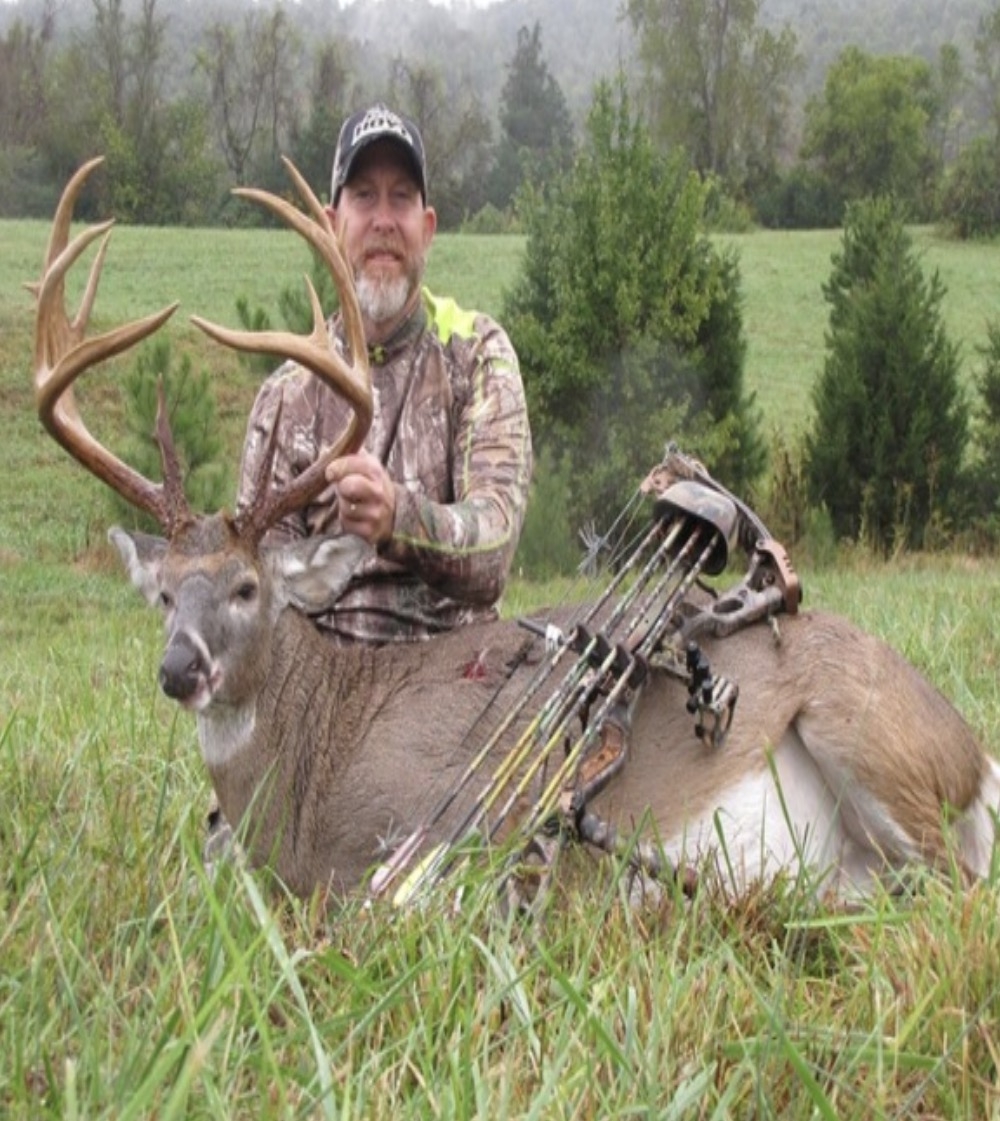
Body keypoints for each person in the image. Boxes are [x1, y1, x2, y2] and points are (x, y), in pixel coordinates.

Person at [236, 102, 533, 642]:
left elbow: (495, 545)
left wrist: (400, 517)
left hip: (458, 681)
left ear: (426, 228)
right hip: (328, 693)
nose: (383, 220)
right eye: (364, 195)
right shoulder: (288, 396)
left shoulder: (476, 356)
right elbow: (259, 591)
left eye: (401, 197)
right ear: (331, 224)